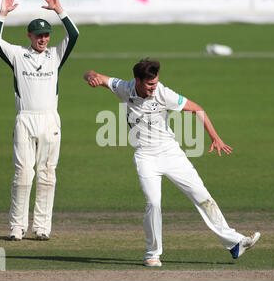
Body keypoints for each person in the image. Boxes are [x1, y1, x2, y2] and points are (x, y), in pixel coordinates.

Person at [83, 59, 260, 266]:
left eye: (156, 82)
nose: (153, 87)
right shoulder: (123, 87)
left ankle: (235, 243)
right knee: (153, 203)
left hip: (171, 153)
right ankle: (152, 254)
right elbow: (92, 73)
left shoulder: (164, 94)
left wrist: (215, 138)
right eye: (149, 84)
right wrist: (91, 78)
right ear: (137, 81)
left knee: (202, 196)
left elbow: (197, 109)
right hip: (145, 156)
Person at [0, 0, 79, 241]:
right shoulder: (18, 55)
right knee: (23, 173)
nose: (43, 39)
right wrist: (2, 14)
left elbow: (74, 36)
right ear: (30, 36)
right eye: (39, 35)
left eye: (47, 35)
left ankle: (41, 227)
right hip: (25, 120)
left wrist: (60, 10)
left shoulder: (55, 55)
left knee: (48, 173)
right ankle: (17, 227)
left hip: (50, 120)